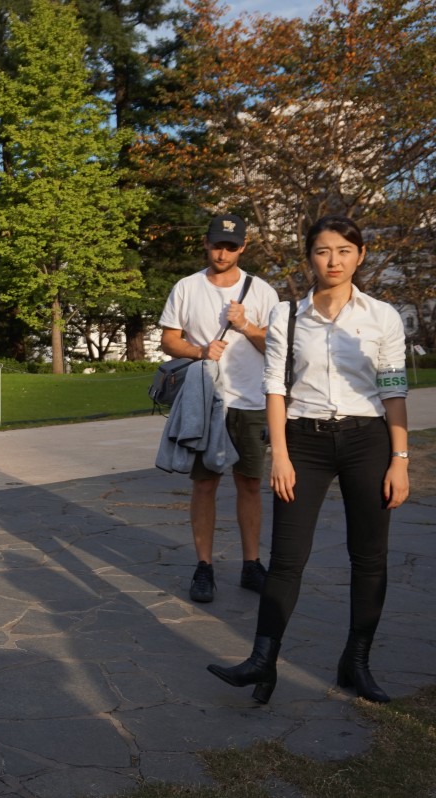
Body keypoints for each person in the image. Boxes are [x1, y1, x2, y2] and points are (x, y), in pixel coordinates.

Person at [207, 215, 409, 704]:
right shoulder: (286, 315)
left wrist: (400, 458)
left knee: (369, 558)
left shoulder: (382, 317)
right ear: (309, 258)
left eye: (344, 250)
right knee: (287, 560)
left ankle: (355, 663)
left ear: (360, 255)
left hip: (368, 440)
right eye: (323, 251)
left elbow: (393, 391)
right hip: (305, 441)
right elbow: (274, 387)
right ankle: (263, 661)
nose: (333, 260)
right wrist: (281, 455)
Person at [158, 213, 279, 602]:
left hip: (251, 399)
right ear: (206, 244)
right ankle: (204, 567)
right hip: (205, 400)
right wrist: (199, 350)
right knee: (205, 484)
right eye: (216, 244)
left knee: (250, 483)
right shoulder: (186, 287)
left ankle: (251, 564)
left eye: (231, 246)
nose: (222, 252)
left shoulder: (261, 291)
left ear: (243, 247)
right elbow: (169, 341)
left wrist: (246, 326)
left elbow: (277, 347)